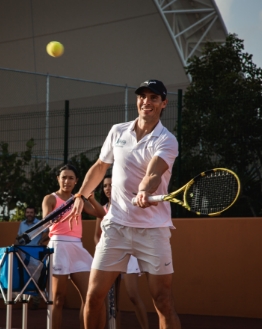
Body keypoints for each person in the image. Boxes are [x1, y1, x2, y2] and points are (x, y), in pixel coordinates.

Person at [67, 79, 181, 329]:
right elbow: (100, 166)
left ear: (164, 103)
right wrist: (81, 195)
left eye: (153, 98)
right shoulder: (118, 131)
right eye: (142, 96)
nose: (146, 102)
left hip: (153, 230)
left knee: (162, 301)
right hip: (116, 226)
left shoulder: (167, 140)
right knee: (94, 297)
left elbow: (154, 172)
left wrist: (143, 190)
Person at [42, 164, 106, 329]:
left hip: (77, 247)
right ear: (58, 179)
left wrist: (90, 198)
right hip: (58, 246)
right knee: (58, 299)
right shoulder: (50, 198)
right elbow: (45, 222)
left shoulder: (78, 200)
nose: (67, 181)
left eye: (71, 178)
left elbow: (101, 214)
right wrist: (52, 219)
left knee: (90, 296)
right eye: (63, 177)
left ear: (77, 181)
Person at [94, 175, 149, 329]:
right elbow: (97, 235)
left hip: (129, 255)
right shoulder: (103, 209)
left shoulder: (129, 204)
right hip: (110, 255)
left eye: (111, 185)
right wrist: (103, 250)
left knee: (133, 296)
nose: (108, 188)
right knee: (112, 301)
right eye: (105, 186)